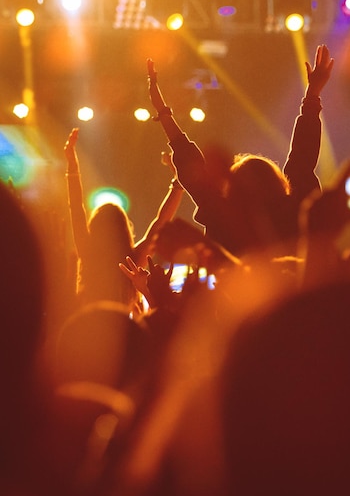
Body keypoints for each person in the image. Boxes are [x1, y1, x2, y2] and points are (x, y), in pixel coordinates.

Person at [146, 44, 334, 260]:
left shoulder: (225, 216)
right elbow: (303, 157)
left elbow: (191, 165)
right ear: (277, 181)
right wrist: (313, 95)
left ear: (233, 188)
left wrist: (161, 109)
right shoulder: (294, 212)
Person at [64, 127, 185, 317]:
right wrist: (178, 182)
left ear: (94, 227)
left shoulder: (87, 252)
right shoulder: (132, 261)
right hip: (127, 334)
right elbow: (161, 223)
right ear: (124, 229)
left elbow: (76, 209)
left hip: (90, 331)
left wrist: (72, 165)